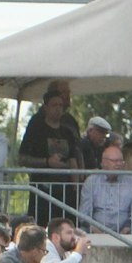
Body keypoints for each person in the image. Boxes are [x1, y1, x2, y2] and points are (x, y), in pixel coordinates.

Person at [16, 89, 83, 225]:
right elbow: (22, 158)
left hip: (65, 190)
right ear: (46, 107)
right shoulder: (36, 130)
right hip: (42, 189)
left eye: (61, 105)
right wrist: (47, 162)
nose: (58, 109)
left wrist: (76, 184)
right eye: (54, 105)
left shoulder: (67, 132)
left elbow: (73, 159)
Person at [81, 145, 132, 235]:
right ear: (104, 163)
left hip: (125, 230)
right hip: (95, 229)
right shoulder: (91, 181)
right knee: (80, 233)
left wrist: (127, 227)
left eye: (120, 161)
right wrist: (94, 229)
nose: (118, 164)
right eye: (114, 161)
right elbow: (84, 213)